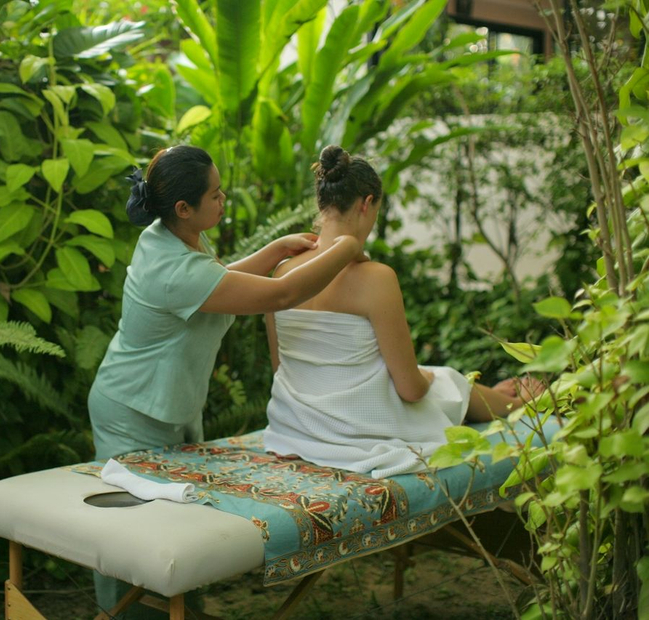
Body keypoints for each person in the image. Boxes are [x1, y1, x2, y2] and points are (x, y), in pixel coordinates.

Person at [88, 145, 362, 617]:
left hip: (167, 406)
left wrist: (275, 249)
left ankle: (181, 614)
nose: (224, 198)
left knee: (177, 533)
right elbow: (281, 294)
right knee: (131, 542)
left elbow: (216, 280)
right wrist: (345, 248)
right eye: (216, 194)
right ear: (183, 208)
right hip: (132, 412)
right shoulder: (169, 266)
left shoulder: (176, 236)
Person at [263, 145, 540, 479]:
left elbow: (284, 369)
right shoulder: (376, 279)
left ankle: (501, 396)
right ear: (367, 204)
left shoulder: (281, 272)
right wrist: (425, 377)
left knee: (434, 377)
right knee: (444, 379)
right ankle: (522, 403)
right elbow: (411, 389)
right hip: (354, 431)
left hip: (295, 429)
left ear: (322, 205)